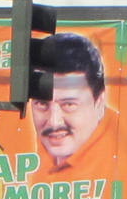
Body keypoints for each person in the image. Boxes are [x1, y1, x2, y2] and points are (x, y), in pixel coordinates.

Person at [24, 32, 113, 174]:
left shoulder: (126, 160)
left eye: (69, 105)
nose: (54, 122)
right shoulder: (27, 153)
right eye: (42, 104)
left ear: (99, 104)